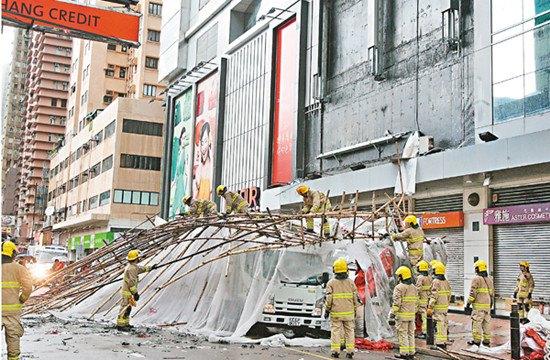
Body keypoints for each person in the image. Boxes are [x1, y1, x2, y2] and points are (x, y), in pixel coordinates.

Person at [2, 240, 33, 360]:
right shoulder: (19, 268)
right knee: (13, 338)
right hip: (12, 312)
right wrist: (22, 299)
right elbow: (28, 287)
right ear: (12, 254)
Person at [325, 258, 360, 359]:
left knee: (335, 331)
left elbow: (329, 299)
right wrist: (355, 310)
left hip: (336, 313)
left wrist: (327, 310)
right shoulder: (351, 283)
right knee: (350, 331)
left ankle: (335, 351)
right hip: (349, 313)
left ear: (334, 270)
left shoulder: (331, 283)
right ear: (346, 270)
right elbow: (355, 298)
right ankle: (350, 351)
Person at [116, 250, 155, 331]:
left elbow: (141, 269)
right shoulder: (131, 269)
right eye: (138, 257)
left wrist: (151, 268)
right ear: (136, 258)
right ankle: (120, 325)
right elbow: (131, 282)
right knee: (125, 308)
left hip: (128, 292)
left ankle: (125, 323)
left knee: (128, 308)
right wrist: (135, 293)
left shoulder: (133, 267)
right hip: (128, 292)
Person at [389, 266, 418, 359]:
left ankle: (404, 353)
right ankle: (411, 353)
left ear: (402, 276)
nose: (398, 277)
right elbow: (416, 301)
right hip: (411, 315)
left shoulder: (399, 287)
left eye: (399, 276)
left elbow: (397, 303)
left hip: (402, 316)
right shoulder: (413, 287)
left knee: (403, 334)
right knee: (411, 334)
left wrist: (392, 314)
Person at [465, 260, 494, 347]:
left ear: (478, 269)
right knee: (486, 323)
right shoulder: (489, 279)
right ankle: (486, 340)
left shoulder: (476, 279)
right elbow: (492, 294)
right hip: (487, 306)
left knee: (477, 322)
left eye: (476, 268)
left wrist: (468, 303)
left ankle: (476, 341)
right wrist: (490, 304)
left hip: (478, 306)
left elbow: (472, 293)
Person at [428, 262, 451, 349]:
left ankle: (440, 343)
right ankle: (443, 341)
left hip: (437, 308)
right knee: (444, 324)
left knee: (439, 325)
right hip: (444, 307)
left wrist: (430, 306)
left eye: (434, 270)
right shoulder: (446, 282)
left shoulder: (436, 282)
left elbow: (434, 296)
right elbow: (449, 295)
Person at [415, 260, 431, 339]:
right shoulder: (429, 277)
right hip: (427, 299)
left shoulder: (420, 278)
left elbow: (418, 289)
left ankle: (424, 332)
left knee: (422, 316)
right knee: (427, 315)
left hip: (421, 300)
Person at [354, 261, 366, 338]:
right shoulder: (361, 273)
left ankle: (359, 336)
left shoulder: (361, 274)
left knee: (359, 319)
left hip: (360, 298)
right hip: (361, 298)